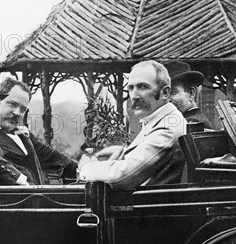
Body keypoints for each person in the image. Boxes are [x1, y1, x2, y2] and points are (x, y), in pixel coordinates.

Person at [79, 60, 186, 190]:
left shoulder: (167, 128)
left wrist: (86, 167)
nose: (134, 96)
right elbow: (149, 160)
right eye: (131, 88)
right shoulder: (161, 118)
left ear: (165, 93)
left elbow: (121, 177)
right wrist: (122, 152)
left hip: (148, 207)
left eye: (143, 87)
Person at [0, 77, 78, 185]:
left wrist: (83, 169)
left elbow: (53, 156)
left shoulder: (23, 135)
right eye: (12, 104)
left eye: (22, 109)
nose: (17, 113)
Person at [167, 61, 214, 130]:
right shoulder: (195, 118)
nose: (167, 100)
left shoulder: (191, 123)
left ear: (191, 93)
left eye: (173, 93)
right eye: (164, 94)